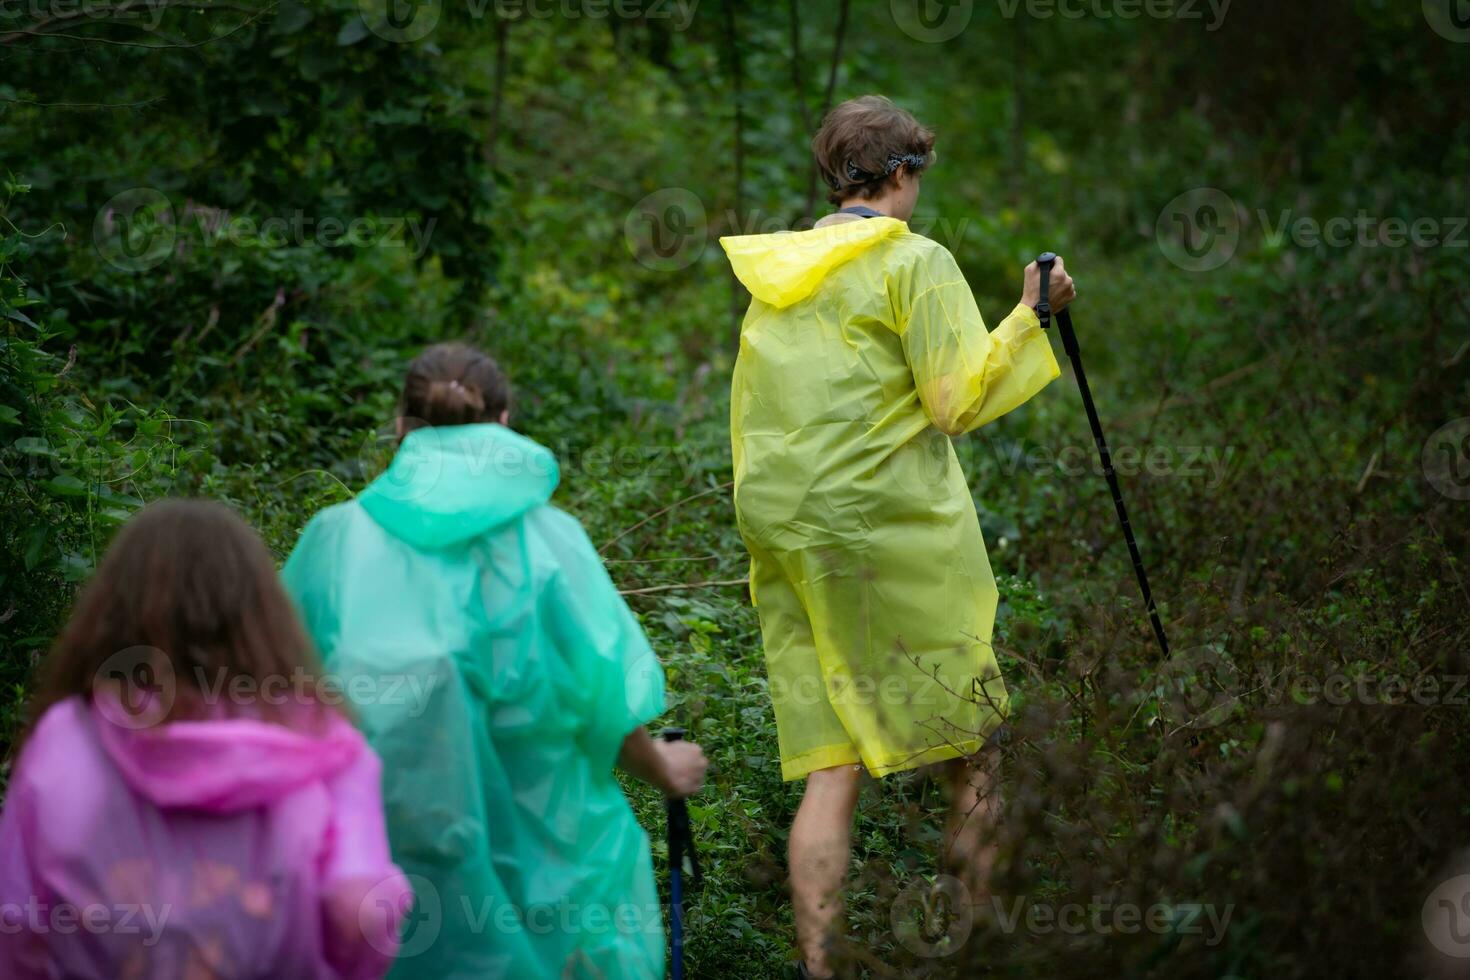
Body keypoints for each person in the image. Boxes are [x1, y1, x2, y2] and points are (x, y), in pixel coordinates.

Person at [720, 95, 1076, 977]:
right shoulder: (913, 262)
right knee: (973, 754)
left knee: (832, 766)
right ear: (903, 173)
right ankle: (983, 948)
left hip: (787, 528)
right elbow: (955, 401)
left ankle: (819, 966)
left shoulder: (779, 271)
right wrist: (1029, 314)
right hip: (883, 528)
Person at [282, 342, 708, 979]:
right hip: (550, 871)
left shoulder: (334, 540)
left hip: (388, 863)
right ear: (505, 424)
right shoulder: (552, 542)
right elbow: (605, 702)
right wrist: (666, 770)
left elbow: (280, 700)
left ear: (400, 426)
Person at [0, 499, 408, 979]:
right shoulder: (323, 744)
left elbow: (17, 921)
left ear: (113, 608)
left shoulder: (65, 737)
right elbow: (359, 914)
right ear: (262, 613)